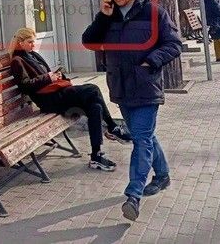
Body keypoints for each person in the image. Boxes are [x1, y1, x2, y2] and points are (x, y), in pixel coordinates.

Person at [82, 0, 182, 222]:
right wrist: (102, 18)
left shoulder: (154, 12)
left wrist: (151, 62)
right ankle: (162, 176)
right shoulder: (109, 15)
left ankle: (133, 195)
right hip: (121, 88)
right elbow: (88, 41)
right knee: (145, 135)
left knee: (141, 139)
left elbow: (173, 44)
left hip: (146, 87)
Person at [9, 28, 131, 173]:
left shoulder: (33, 55)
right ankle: (112, 127)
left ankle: (96, 155)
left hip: (57, 93)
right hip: (49, 100)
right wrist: (48, 78)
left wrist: (57, 76)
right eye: (30, 42)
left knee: (95, 107)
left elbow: (47, 75)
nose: (33, 45)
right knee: (92, 89)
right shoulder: (17, 61)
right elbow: (25, 86)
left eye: (33, 42)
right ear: (21, 43)